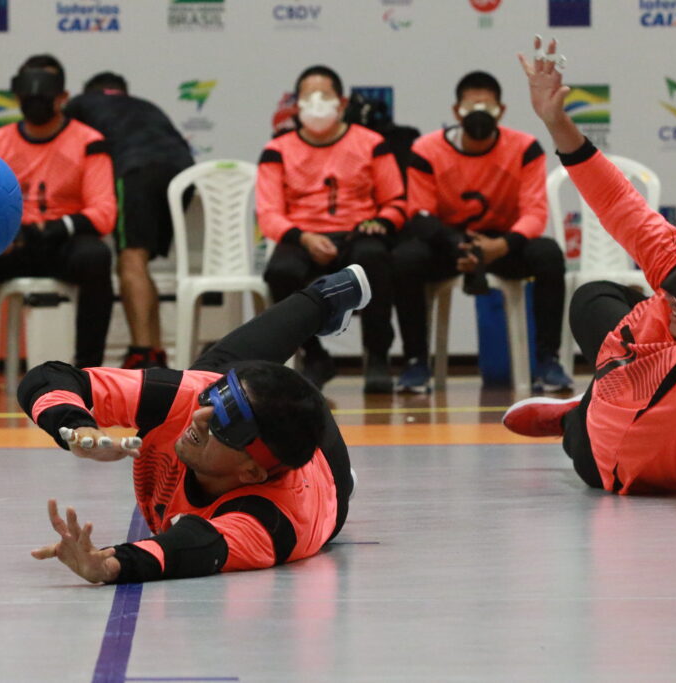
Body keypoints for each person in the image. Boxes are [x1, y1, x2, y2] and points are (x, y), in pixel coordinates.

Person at [24, 265, 366, 583]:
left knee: (225, 379)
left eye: (224, 425)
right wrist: (76, 426)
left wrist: (109, 565)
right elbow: (47, 378)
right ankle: (325, 298)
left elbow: (189, 548)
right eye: (214, 400)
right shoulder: (194, 400)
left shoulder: (267, 521)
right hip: (268, 417)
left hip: (326, 479)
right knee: (215, 370)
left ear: (250, 473)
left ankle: (344, 482)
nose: (200, 417)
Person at [502, 37, 676, 495]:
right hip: (626, 367)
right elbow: (615, 198)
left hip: (618, 462)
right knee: (593, 295)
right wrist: (556, 121)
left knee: (580, 436)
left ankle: (573, 416)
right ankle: (591, 395)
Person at [0, 55, 116, 398]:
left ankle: (87, 376)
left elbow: (103, 213)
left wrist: (47, 231)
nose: (36, 102)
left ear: (62, 97)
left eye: (44, 95)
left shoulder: (89, 141)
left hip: (63, 245)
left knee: (96, 257)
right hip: (12, 244)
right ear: (17, 97)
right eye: (28, 96)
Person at [393, 70, 572, 393]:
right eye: (470, 107)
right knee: (406, 258)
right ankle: (416, 363)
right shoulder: (426, 149)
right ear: (455, 112)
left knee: (547, 253)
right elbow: (418, 214)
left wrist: (502, 245)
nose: (478, 115)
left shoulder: (525, 148)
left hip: (502, 244)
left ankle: (548, 361)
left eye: (488, 108)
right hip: (447, 243)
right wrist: (456, 244)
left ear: (501, 111)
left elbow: (534, 214)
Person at [257, 65, 408, 393]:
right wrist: (305, 238)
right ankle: (314, 356)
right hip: (304, 236)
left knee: (375, 258)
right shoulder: (277, 150)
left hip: (357, 233)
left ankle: (378, 356)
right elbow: (268, 214)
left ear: (341, 102)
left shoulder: (372, 143)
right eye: (307, 97)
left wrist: (379, 223)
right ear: (295, 106)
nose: (316, 104)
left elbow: (396, 202)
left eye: (324, 96)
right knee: (280, 271)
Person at [64, 71, 195, 370]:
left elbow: (68, 151)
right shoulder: (146, 105)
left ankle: (141, 352)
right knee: (142, 262)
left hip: (137, 170)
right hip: (183, 176)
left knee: (131, 260)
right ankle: (156, 352)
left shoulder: (81, 104)